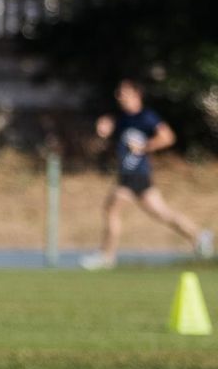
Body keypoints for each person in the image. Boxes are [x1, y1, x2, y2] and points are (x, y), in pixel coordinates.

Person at [81, 78, 213, 270]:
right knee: (162, 213)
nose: (120, 97)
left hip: (137, 174)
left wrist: (144, 147)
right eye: (119, 94)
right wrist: (104, 128)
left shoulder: (146, 117)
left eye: (125, 93)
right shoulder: (123, 118)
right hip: (129, 174)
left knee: (112, 209)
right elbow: (108, 129)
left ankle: (106, 256)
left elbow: (168, 137)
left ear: (137, 95)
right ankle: (199, 237)